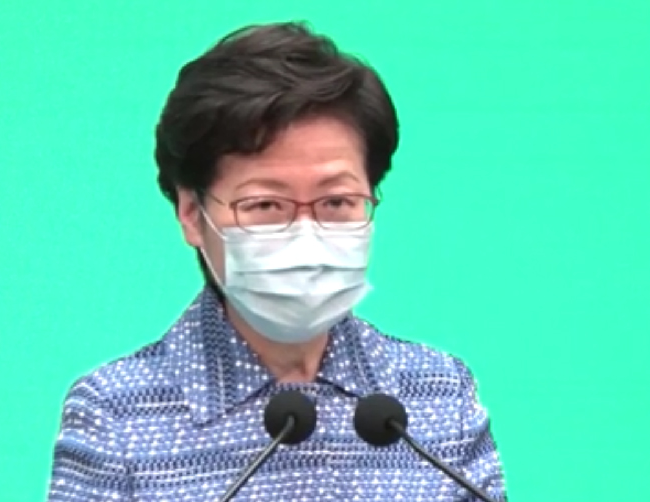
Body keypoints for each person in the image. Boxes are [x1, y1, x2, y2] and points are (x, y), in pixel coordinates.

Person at [46, 21, 507, 502]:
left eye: (337, 202)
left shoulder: (438, 394)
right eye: (265, 205)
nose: (306, 237)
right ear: (192, 213)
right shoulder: (115, 415)